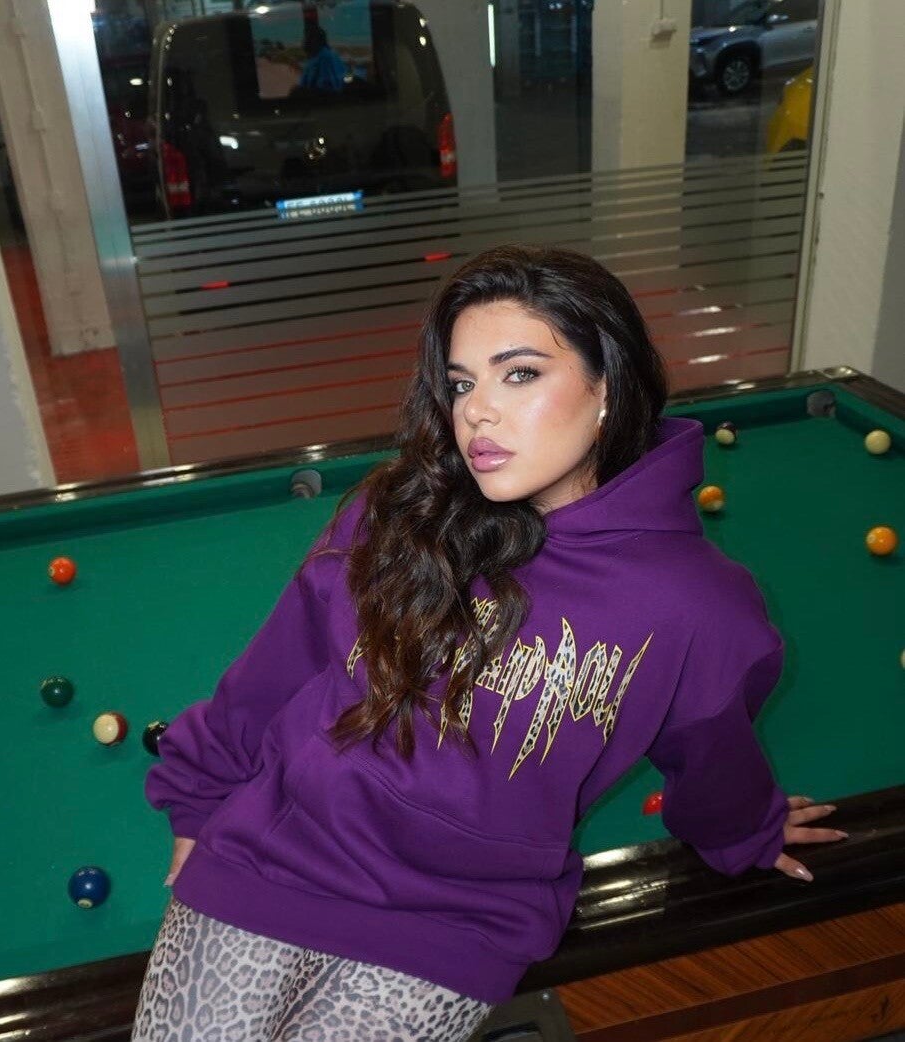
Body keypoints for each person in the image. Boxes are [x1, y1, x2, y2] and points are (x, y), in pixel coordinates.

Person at [130, 245, 846, 1042]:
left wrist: (744, 831)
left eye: (520, 374)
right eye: (463, 383)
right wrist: (198, 793)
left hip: (457, 921)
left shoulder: (697, 605)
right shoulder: (398, 511)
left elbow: (711, 747)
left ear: (608, 386)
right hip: (275, 854)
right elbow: (281, 663)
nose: (476, 412)